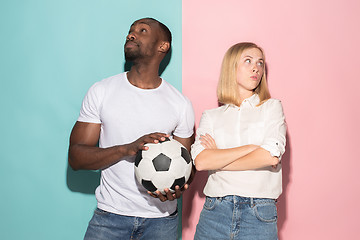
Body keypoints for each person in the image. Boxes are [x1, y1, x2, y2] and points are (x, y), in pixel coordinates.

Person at [68, 18, 195, 240]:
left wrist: (178, 187)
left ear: (162, 46)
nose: (131, 35)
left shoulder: (180, 104)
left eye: (142, 30)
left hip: (162, 223)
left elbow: (188, 167)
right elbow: (76, 158)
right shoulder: (102, 91)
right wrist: (126, 149)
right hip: (110, 217)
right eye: (130, 31)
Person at [191, 42, 286, 240]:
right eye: (248, 61)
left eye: (260, 63)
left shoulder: (272, 108)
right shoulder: (211, 116)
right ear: (231, 67)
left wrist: (219, 158)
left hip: (259, 214)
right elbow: (201, 162)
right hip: (215, 212)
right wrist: (251, 148)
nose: (256, 68)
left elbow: (270, 156)